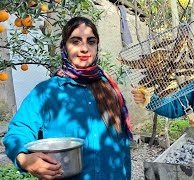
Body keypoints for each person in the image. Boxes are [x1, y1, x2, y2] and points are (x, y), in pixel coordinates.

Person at [3, 16, 132, 180]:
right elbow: (19, 130)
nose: (84, 48)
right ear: (64, 47)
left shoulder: (109, 89)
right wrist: (24, 159)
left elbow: (122, 146)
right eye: (76, 41)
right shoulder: (46, 92)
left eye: (91, 42)